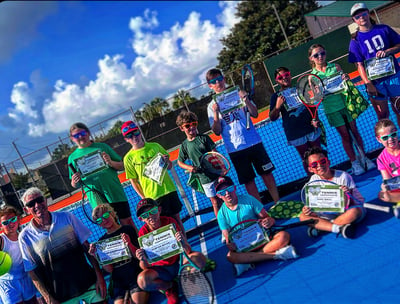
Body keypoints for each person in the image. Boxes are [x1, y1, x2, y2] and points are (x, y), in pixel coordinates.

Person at [18, 187, 107, 304]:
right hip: (60, 296)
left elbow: (87, 247)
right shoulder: (25, 237)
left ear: (45, 200)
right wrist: (48, 297)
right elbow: (32, 271)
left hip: (89, 284)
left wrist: (99, 276)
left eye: (39, 200)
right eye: (31, 203)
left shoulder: (67, 217)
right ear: (26, 209)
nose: (37, 205)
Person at [206, 68, 279, 203]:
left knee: (267, 173)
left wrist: (246, 99)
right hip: (236, 149)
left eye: (220, 79)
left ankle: (278, 202)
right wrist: (216, 113)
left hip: (254, 142)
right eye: (213, 81)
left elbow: (255, 113)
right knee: (248, 181)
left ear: (224, 79)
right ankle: (260, 210)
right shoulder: (211, 106)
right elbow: (216, 131)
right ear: (210, 85)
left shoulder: (238, 94)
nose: (218, 83)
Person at [308, 44, 375, 175]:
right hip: (332, 109)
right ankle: (354, 162)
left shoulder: (335, 67)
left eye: (322, 53)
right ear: (311, 58)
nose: (320, 56)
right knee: (345, 135)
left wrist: (346, 78)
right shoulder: (312, 77)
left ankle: (364, 158)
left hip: (346, 104)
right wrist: (317, 92)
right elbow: (316, 98)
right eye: (316, 55)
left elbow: (344, 83)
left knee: (355, 131)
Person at [215, 176, 298, 277]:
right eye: (223, 192)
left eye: (229, 189)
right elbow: (228, 239)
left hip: (264, 241)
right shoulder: (221, 215)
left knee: (283, 236)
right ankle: (277, 255)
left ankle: (249, 261)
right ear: (219, 195)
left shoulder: (249, 200)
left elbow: (269, 219)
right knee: (230, 256)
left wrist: (268, 221)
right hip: (244, 248)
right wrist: (230, 244)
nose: (227, 193)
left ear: (235, 188)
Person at [135, 198, 206, 304]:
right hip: (161, 270)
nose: (150, 217)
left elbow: (187, 250)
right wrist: (142, 259)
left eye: (153, 211)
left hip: (179, 264)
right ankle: (170, 288)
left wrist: (182, 241)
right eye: (145, 215)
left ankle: (185, 280)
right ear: (141, 219)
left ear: (159, 210)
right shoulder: (142, 233)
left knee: (199, 259)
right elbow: (145, 267)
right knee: (142, 280)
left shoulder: (170, 222)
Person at [68, 122, 137, 231]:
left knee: (127, 223)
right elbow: (74, 184)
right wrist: (75, 181)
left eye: (82, 133)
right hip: (96, 199)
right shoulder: (72, 158)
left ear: (88, 132)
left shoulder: (102, 147)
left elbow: (122, 165)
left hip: (114, 192)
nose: (80, 137)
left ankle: (139, 246)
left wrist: (111, 163)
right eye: (76, 136)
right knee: (111, 228)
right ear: (72, 139)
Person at [121, 121, 184, 233]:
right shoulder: (128, 158)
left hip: (169, 190)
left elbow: (169, 166)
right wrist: (144, 198)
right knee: (163, 227)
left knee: (177, 221)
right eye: (129, 136)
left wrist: (166, 161)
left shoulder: (155, 146)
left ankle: (186, 247)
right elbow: (134, 181)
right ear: (126, 139)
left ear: (140, 132)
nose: (134, 137)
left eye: (135, 133)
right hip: (153, 196)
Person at [348, 2, 400, 126]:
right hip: (376, 83)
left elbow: (398, 45)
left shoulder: (384, 29)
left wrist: (388, 51)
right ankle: (387, 140)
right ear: (354, 20)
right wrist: (368, 84)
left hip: (394, 77)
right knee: (383, 116)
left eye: (363, 13)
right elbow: (359, 65)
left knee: (399, 108)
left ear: (368, 13)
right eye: (357, 16)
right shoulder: (355, 41)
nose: (361, 17)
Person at [299, 147, 366, 239]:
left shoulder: (343, 176)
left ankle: (323, 227)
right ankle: (338, 227)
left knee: (354, 212)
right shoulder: (313, 180)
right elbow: (314, 203)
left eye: (322, 161)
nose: (319, 166)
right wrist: (308, 209)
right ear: (310, 169)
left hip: (348, 209)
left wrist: (345, 195)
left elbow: (350, 204)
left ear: (328, 162)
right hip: (328, 213)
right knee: (303, 216)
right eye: (314, 164)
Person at [88, 204, 148, 304]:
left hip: (135, 275)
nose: (104, 220)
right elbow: (110, 269)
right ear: (99, 225)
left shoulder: (128, 229)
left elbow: (138, 257)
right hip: (119, 282)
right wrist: (96, 256)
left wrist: (129, 243)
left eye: (106, 216)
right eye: (99, 220)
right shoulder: (101, 242)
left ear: (112, 214)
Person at [269, 66, 321, 173]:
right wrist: (278, 106)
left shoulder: (300, 89)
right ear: (277, 81)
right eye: (280, 77)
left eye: (286, 75)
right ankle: (314, 182)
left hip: (310, 128)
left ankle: (327, 176)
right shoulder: (275, 97)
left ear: (290, 74)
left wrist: (315, 119)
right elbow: (272, 117)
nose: (284, 78)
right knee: (306, 159)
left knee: (319, 155)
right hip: (295, 133)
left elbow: (311, 106)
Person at [176, 110, 221, 216]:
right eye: (187, 126)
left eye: (194, 124)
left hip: (216, 174)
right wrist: (190, 168)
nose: (191, 127)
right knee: (215, 202)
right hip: (204, 179)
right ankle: (223, 225)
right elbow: (179, 162)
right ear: (182, 128)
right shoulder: (184, 145)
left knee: (224, 197)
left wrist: (220, 169)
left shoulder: (204, 138)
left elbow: (215, 154)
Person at [0, 205, 38, 304]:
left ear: (18, 219)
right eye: (5, 222)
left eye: (13, 219)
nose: (10, 224)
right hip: (8, 283)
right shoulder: (2, 240)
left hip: (26, 278)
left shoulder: (25, 236)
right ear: (1, 225)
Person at [374, 118, 400, 217]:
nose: (390, 139)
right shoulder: (381, 159)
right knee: (383, 194)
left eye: (393, 135)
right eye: (385, 138)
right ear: (379, 139)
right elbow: (387, 179)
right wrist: (385, 186)